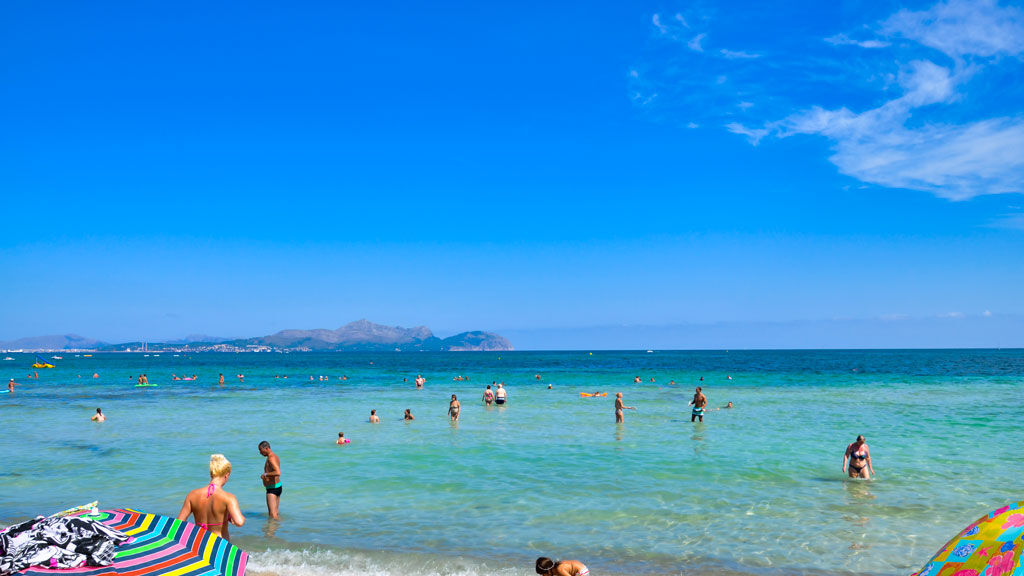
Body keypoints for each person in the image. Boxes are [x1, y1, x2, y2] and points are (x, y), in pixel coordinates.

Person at [177, 454, 245, 540]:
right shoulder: (229, 498)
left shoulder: (192, 495)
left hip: (199, 542)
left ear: (211, 474)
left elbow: (178, 523)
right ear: (226, 475)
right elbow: (239, 522)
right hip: (219, 544)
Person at [258, 441, 282, 519]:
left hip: (272, 489)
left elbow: (278, 472)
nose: (260, 453)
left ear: (267, 448)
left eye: (261, 450)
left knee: (272, 515)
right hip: (277, 487)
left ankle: (271, 528)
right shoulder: (275, 456)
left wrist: (265, 474)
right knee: (275, 513)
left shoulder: (271, 458)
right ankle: (279, 526)